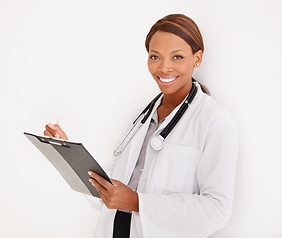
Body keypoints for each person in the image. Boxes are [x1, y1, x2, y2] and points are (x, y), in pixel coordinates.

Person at [44, 14, 238, 238]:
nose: (164, 67)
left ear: (197, 58)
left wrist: (138, 202)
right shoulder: (140, 117)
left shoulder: (216, 122)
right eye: (155, 56)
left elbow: (217, 210)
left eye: (177, 57)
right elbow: (107, 190)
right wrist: (67, 151)